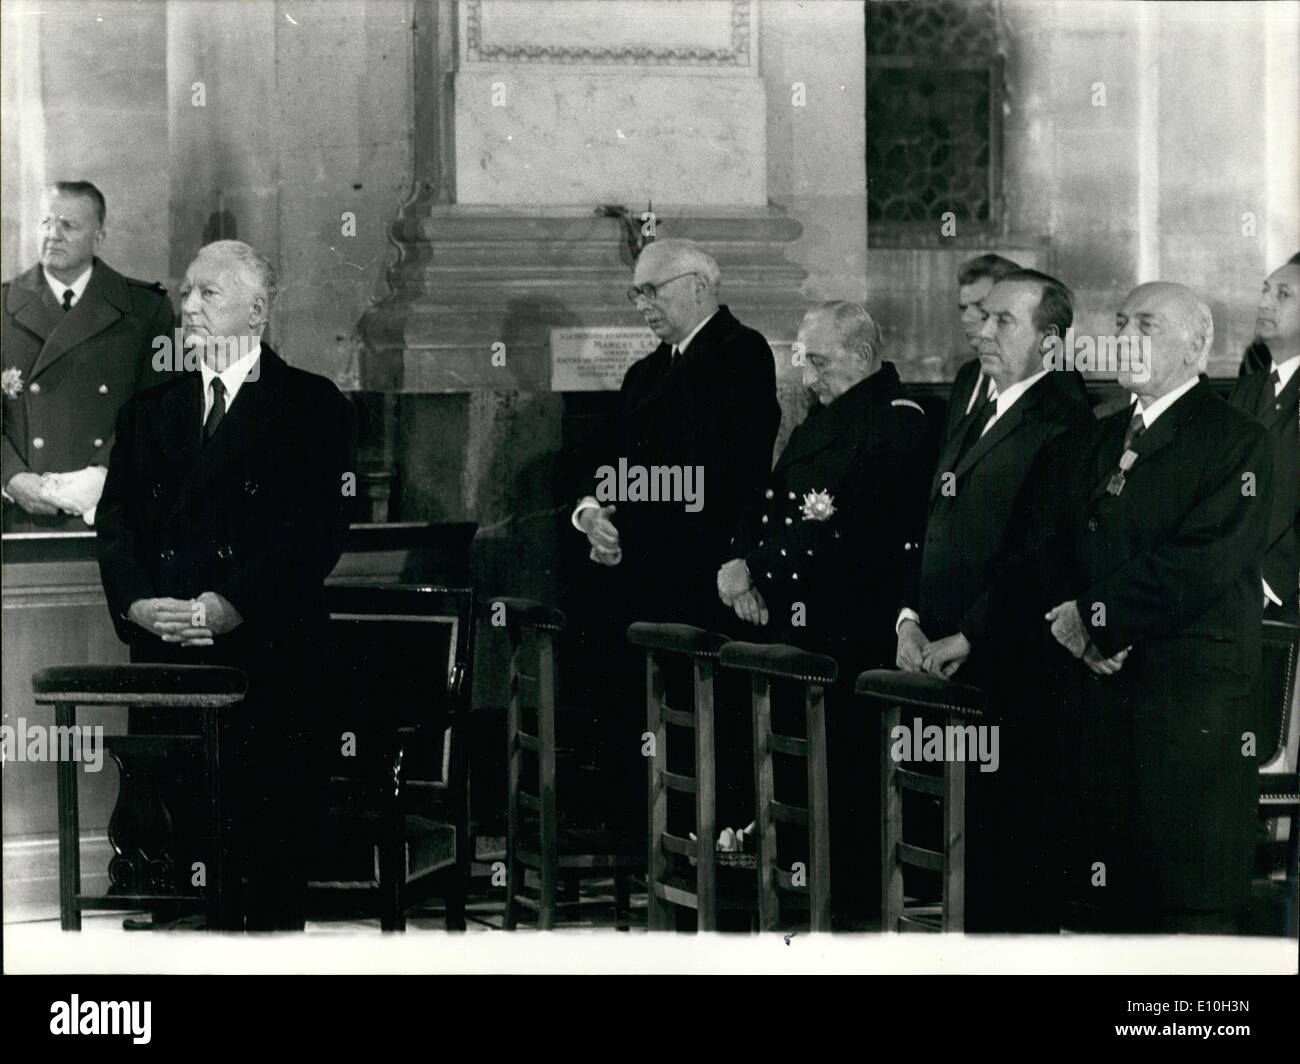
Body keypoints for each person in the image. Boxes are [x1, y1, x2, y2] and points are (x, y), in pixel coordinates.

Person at [931, 283, 1272, 934]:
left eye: (1146, 325)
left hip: (1180, 705)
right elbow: (1045, 543)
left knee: (1178, 915)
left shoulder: (1236, 442)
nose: (1126, 338)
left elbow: (1198, 560)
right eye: (1120, 324)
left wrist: (1095, 620)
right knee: (1101, 907)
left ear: (1196, 346)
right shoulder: (1092, 440)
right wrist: (1071, 617)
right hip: (1096, 703)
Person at [96, 240, 356, 930]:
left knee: (256, 868)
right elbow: (115, 523)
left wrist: (228, 604)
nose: (188, 308)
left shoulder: (310, 405)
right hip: (165, 648)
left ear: (258, 310)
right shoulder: (149, 410)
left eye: (208, 294)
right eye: (186, 293)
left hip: (265, 653)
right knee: (177, 853)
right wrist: (138, 603)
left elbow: (314, 532)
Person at [564, 238, 781, 836]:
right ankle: (653, 849)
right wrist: (592, 513)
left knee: (702, 740)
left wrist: (624, 506)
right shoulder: (644, 373)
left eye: (651, 290)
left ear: (699, 286)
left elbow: (714, 473)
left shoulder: (741, 354)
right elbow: (604, 458)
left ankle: (705, 858)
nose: (641, 305)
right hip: (642, 579)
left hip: (700, 577)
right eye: (636, 293)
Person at [722, 300, 929, 924]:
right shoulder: (828, 415)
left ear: (861, 358)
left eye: (819, 362)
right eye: (803, 361)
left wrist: (756, 570)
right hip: (799, 625)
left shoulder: (895, 422)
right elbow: (769, 502)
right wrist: (740, 571)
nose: (808, 377)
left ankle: (849, 926)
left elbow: (838, 522)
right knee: (799, 782)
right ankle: (803, 913)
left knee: (845, 791)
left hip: (851, 632)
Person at [897, 268, 1092, 932]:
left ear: (1050, 340)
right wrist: (911, 617)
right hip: (946, 654)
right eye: (983, 318)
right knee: (968, 856)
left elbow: (1036, 554)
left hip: (1009, 668)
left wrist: (970, 636)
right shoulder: (979, 401)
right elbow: (931, 520)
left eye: (1003, 320)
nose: (982, 330)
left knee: (1009, 861)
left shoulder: (1064, 421)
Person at [2, 181, 174, 531]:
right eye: (46, 223)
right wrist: (11, 476)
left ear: (99, 238)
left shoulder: (151, 310)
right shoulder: (3, 306)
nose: (53, 234)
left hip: (115, 509)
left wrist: (104, 473)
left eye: (68, 225)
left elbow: (167, 405)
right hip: (20, 514)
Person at [1229, 253, 1299, 620]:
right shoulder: (1248, 388)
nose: (1264, 302)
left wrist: (1269, 582)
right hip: (1231, 584)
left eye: (1283, 294)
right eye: (1265, 290)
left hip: (1285, 597)